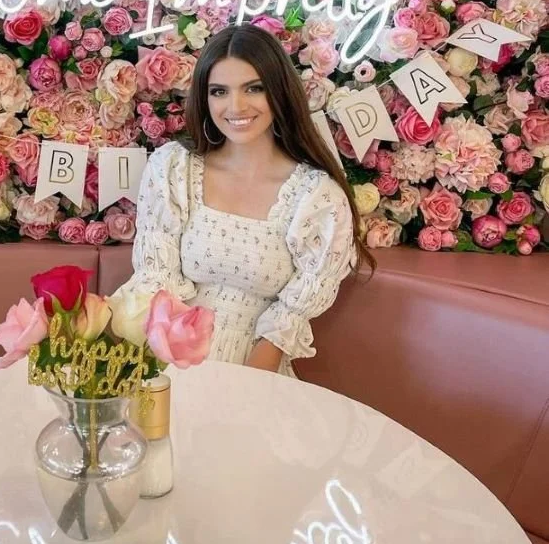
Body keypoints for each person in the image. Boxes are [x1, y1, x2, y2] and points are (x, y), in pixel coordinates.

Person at [110, 23, 375, 377]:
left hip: (256, 372)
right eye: (219, 91)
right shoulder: (175, 168)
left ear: (278, 92)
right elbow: (154, 281)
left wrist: (242, 391)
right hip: (167, 359)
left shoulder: (317, 198)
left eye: (253, 88)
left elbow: (287, 319)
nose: (235, 106)